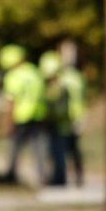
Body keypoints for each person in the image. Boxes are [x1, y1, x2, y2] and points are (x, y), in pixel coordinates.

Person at [0, 44, 50, 184]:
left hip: (20, 116)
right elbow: (43, 95)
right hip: (38, 115)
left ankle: (11, 174)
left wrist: (8, 121)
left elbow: (11, 101)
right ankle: (42, 176)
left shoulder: (13, 76)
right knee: (39, 149)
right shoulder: (35, 72)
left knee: (14, 147)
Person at [56, 45, 87, 186]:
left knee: (71, 149)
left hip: (73, 117)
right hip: (67, 117)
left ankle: (75, 176)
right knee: (68, 149)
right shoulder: (68, 76)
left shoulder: (73, 77)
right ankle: (68, 176)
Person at [38, 51, 69, 186]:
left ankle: (56, 178)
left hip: (54, 124)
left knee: (54, 152)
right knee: (54, 152)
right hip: (56, 123)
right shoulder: (60, 86)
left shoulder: (57, 87)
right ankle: (55, 177)